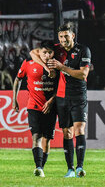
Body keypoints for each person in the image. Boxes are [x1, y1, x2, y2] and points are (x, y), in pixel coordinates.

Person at [30, 22, 91, 178]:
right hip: (62, 97)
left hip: (78, 95)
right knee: (67, 132)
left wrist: (61, 67)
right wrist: (46, 67)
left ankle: (80, 167)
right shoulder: (57, 48)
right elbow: (33, 53)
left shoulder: (83, 50)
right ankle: (70, 169)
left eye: (66, 36)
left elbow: (83, 74)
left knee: (79, 129)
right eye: (61, 36)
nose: (64, 39)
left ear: (73, 35)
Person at [12, 41, 58, 177]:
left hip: (50, 107)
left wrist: (51, 101)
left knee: (47, 139)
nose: (47, 55)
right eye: (45, 52)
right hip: (34, 106)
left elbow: (62, 86)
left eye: (50, 52)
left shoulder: (57, 65)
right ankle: (38, 167)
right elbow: (18, 79)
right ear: (39, 52)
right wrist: (14, 98)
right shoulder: (29, 62)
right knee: (36, 136)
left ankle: (41, 167)